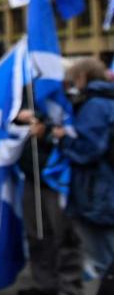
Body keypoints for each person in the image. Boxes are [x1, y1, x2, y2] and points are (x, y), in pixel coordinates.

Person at [11, 58, 95, 295]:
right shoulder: (31, 92)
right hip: (33, 173)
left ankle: (70, 290)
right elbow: (14, 115)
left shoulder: (73, 99)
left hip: (57, 177)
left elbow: (74, 133)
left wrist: (46, 130)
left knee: (65, 236)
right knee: (37, 232)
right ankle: (44, 282)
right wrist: (20, 117)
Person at [55, 57, 114, 280]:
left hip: (96, 188)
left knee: (104, 259)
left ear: (82, 77)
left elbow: (88, 148)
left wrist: (63, 140)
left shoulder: (95, 104)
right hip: (102, 185)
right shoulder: (106, 99)